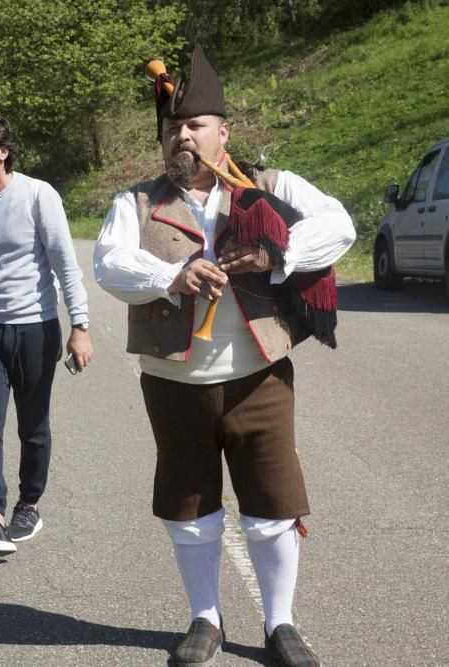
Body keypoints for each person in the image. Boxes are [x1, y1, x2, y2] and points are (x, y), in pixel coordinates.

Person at [93, 46, 355, 666]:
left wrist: (278, 253)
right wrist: (170, 276)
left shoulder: (270, 186)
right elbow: (108, 262)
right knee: (189, 509)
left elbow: (339, 225)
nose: (182, 137)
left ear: (222, 132)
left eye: (194, 126)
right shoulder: (134, 201)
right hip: (172, 380)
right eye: (171, 129)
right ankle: (205, 620)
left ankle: (280, 624)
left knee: (272, 507)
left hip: (259, 376)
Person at [0, 111, 94, 557]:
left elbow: (65, 264)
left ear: (3, 152)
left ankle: (28, 506)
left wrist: (80, 327)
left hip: (34, 327)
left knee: (33, 424)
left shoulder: (37, 195)